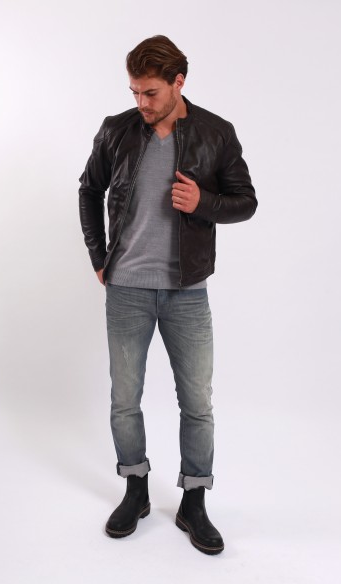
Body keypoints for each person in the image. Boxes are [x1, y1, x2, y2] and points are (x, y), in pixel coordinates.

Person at [78, 35, 257, 555]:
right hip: (126, 290)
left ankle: (193, 502)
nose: (141, 102)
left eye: (151, 92)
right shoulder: (116, 131)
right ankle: (135, 490)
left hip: (187, 293)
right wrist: (98, 255)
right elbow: (88, 188)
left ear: (179, 82)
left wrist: (203, 202)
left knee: (197, 403)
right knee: (124, 400)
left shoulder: (215, 133)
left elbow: (246, 202)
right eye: (134, 92)